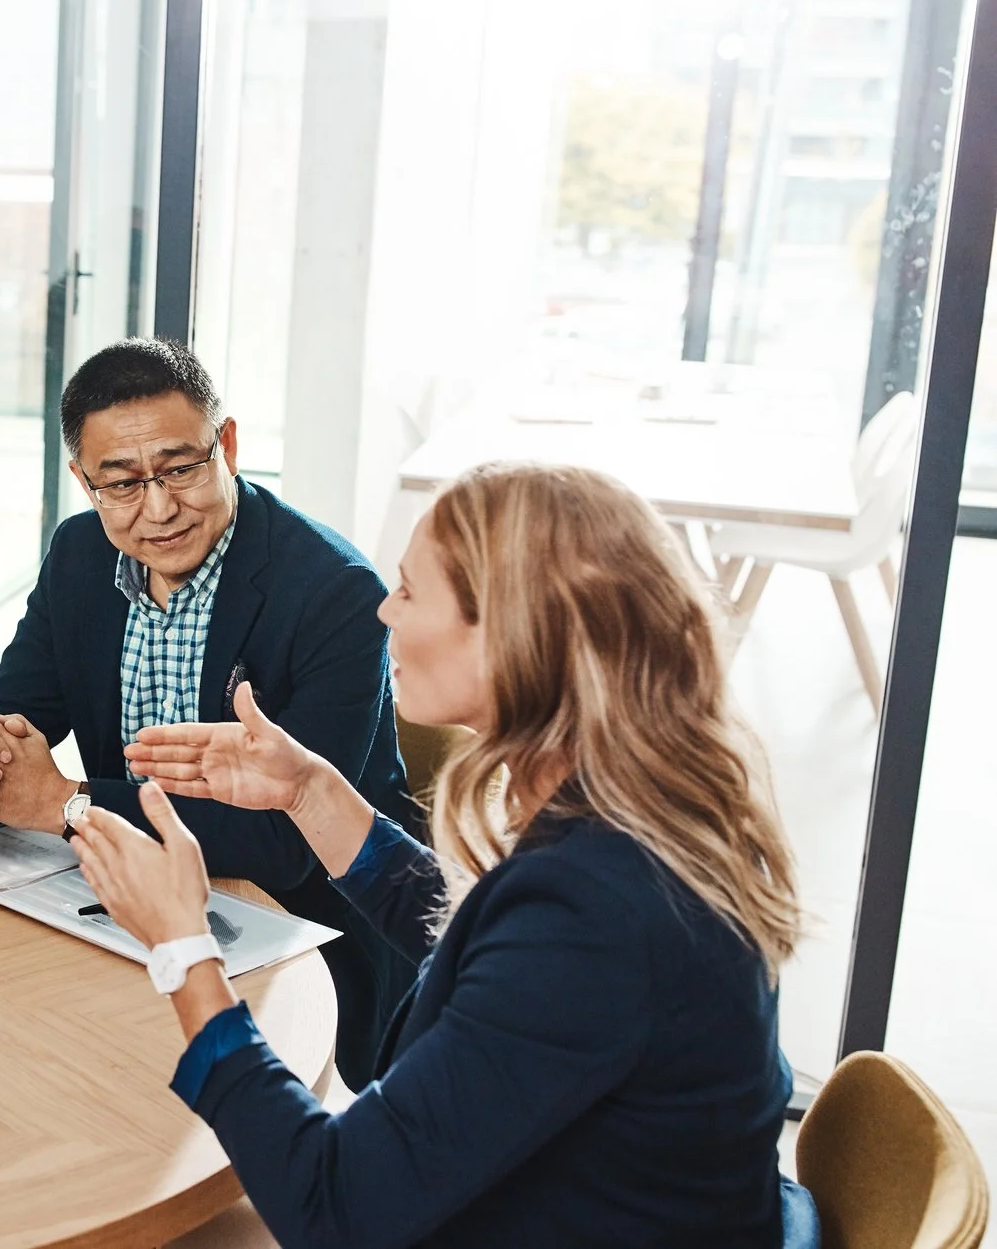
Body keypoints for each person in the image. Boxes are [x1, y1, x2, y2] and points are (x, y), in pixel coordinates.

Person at [74, 462, 817, 1247]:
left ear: (509, 635)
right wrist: (310, 794)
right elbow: (493, 955)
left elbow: (334, 1211)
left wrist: (183, 952)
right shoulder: (632, 810)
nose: (383, 610)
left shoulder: (598, 912)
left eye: (408, 590)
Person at [0, 338, 422, 1089]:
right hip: (114, 915)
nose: (157, 509)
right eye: (121, 483)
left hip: (297, 938)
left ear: (225, 444)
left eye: (180, 469)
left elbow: (287, 842)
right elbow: (14, 708)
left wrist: (66, 805)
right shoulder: (79, 555)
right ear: (82, 479)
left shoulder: (334, 592)